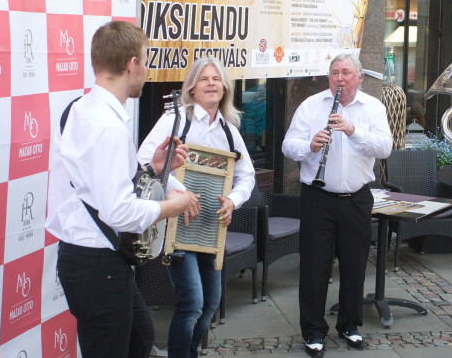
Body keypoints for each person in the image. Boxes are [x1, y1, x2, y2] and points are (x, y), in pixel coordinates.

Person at [47, 21, 201, 358]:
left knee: (140, 337)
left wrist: (153, 169)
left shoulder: (79, 108)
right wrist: (171, 206)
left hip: (93, 258)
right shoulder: (108, 127)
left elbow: (98, 183)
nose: (145, 71)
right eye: (144, 62)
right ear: (131, 64)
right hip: (97, 262)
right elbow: (118, 212)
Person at [137, 57, 255, 358]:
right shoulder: (177, 120)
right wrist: (181, 192)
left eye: (216, 78)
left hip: (210, 229)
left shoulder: (229, 130)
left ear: (225, 87)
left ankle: (186, 352)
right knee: (192, 303)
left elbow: (247, 175)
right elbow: (144, 159)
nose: (212, 83)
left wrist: (232, 200)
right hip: (178, 227)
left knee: (210, 303)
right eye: (204, 78)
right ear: (192, 87)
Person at [282, 54, 392, 357]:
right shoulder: (311, 106)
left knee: (355, 265)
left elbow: (385, 147)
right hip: (318, 198)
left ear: (358, 77)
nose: (339, 78)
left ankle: (350, 325)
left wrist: (353, 130)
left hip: (357, 197)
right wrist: (310, 146)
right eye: (334, 73)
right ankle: (314, 331)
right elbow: (288, 145)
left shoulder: (373, 107)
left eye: (345, 73)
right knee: (315, 266)